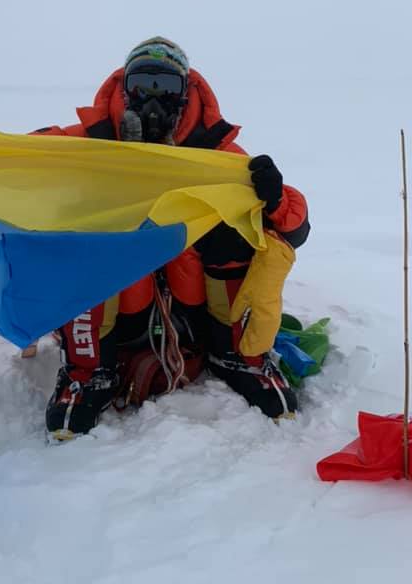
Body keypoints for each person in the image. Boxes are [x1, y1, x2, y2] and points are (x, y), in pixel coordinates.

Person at [34, 37, 310, 439]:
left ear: (186, 94)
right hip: (120, 304)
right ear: (125, 89)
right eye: (143, 84)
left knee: (238, 232)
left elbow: (294, 230)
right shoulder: (87, 141)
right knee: (84, 235)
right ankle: (88, 372)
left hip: (192, 307)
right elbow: (14, 165)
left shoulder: (215, 152)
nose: (153, 100)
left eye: (166, 87)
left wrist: (274, 198)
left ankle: (239, 357)